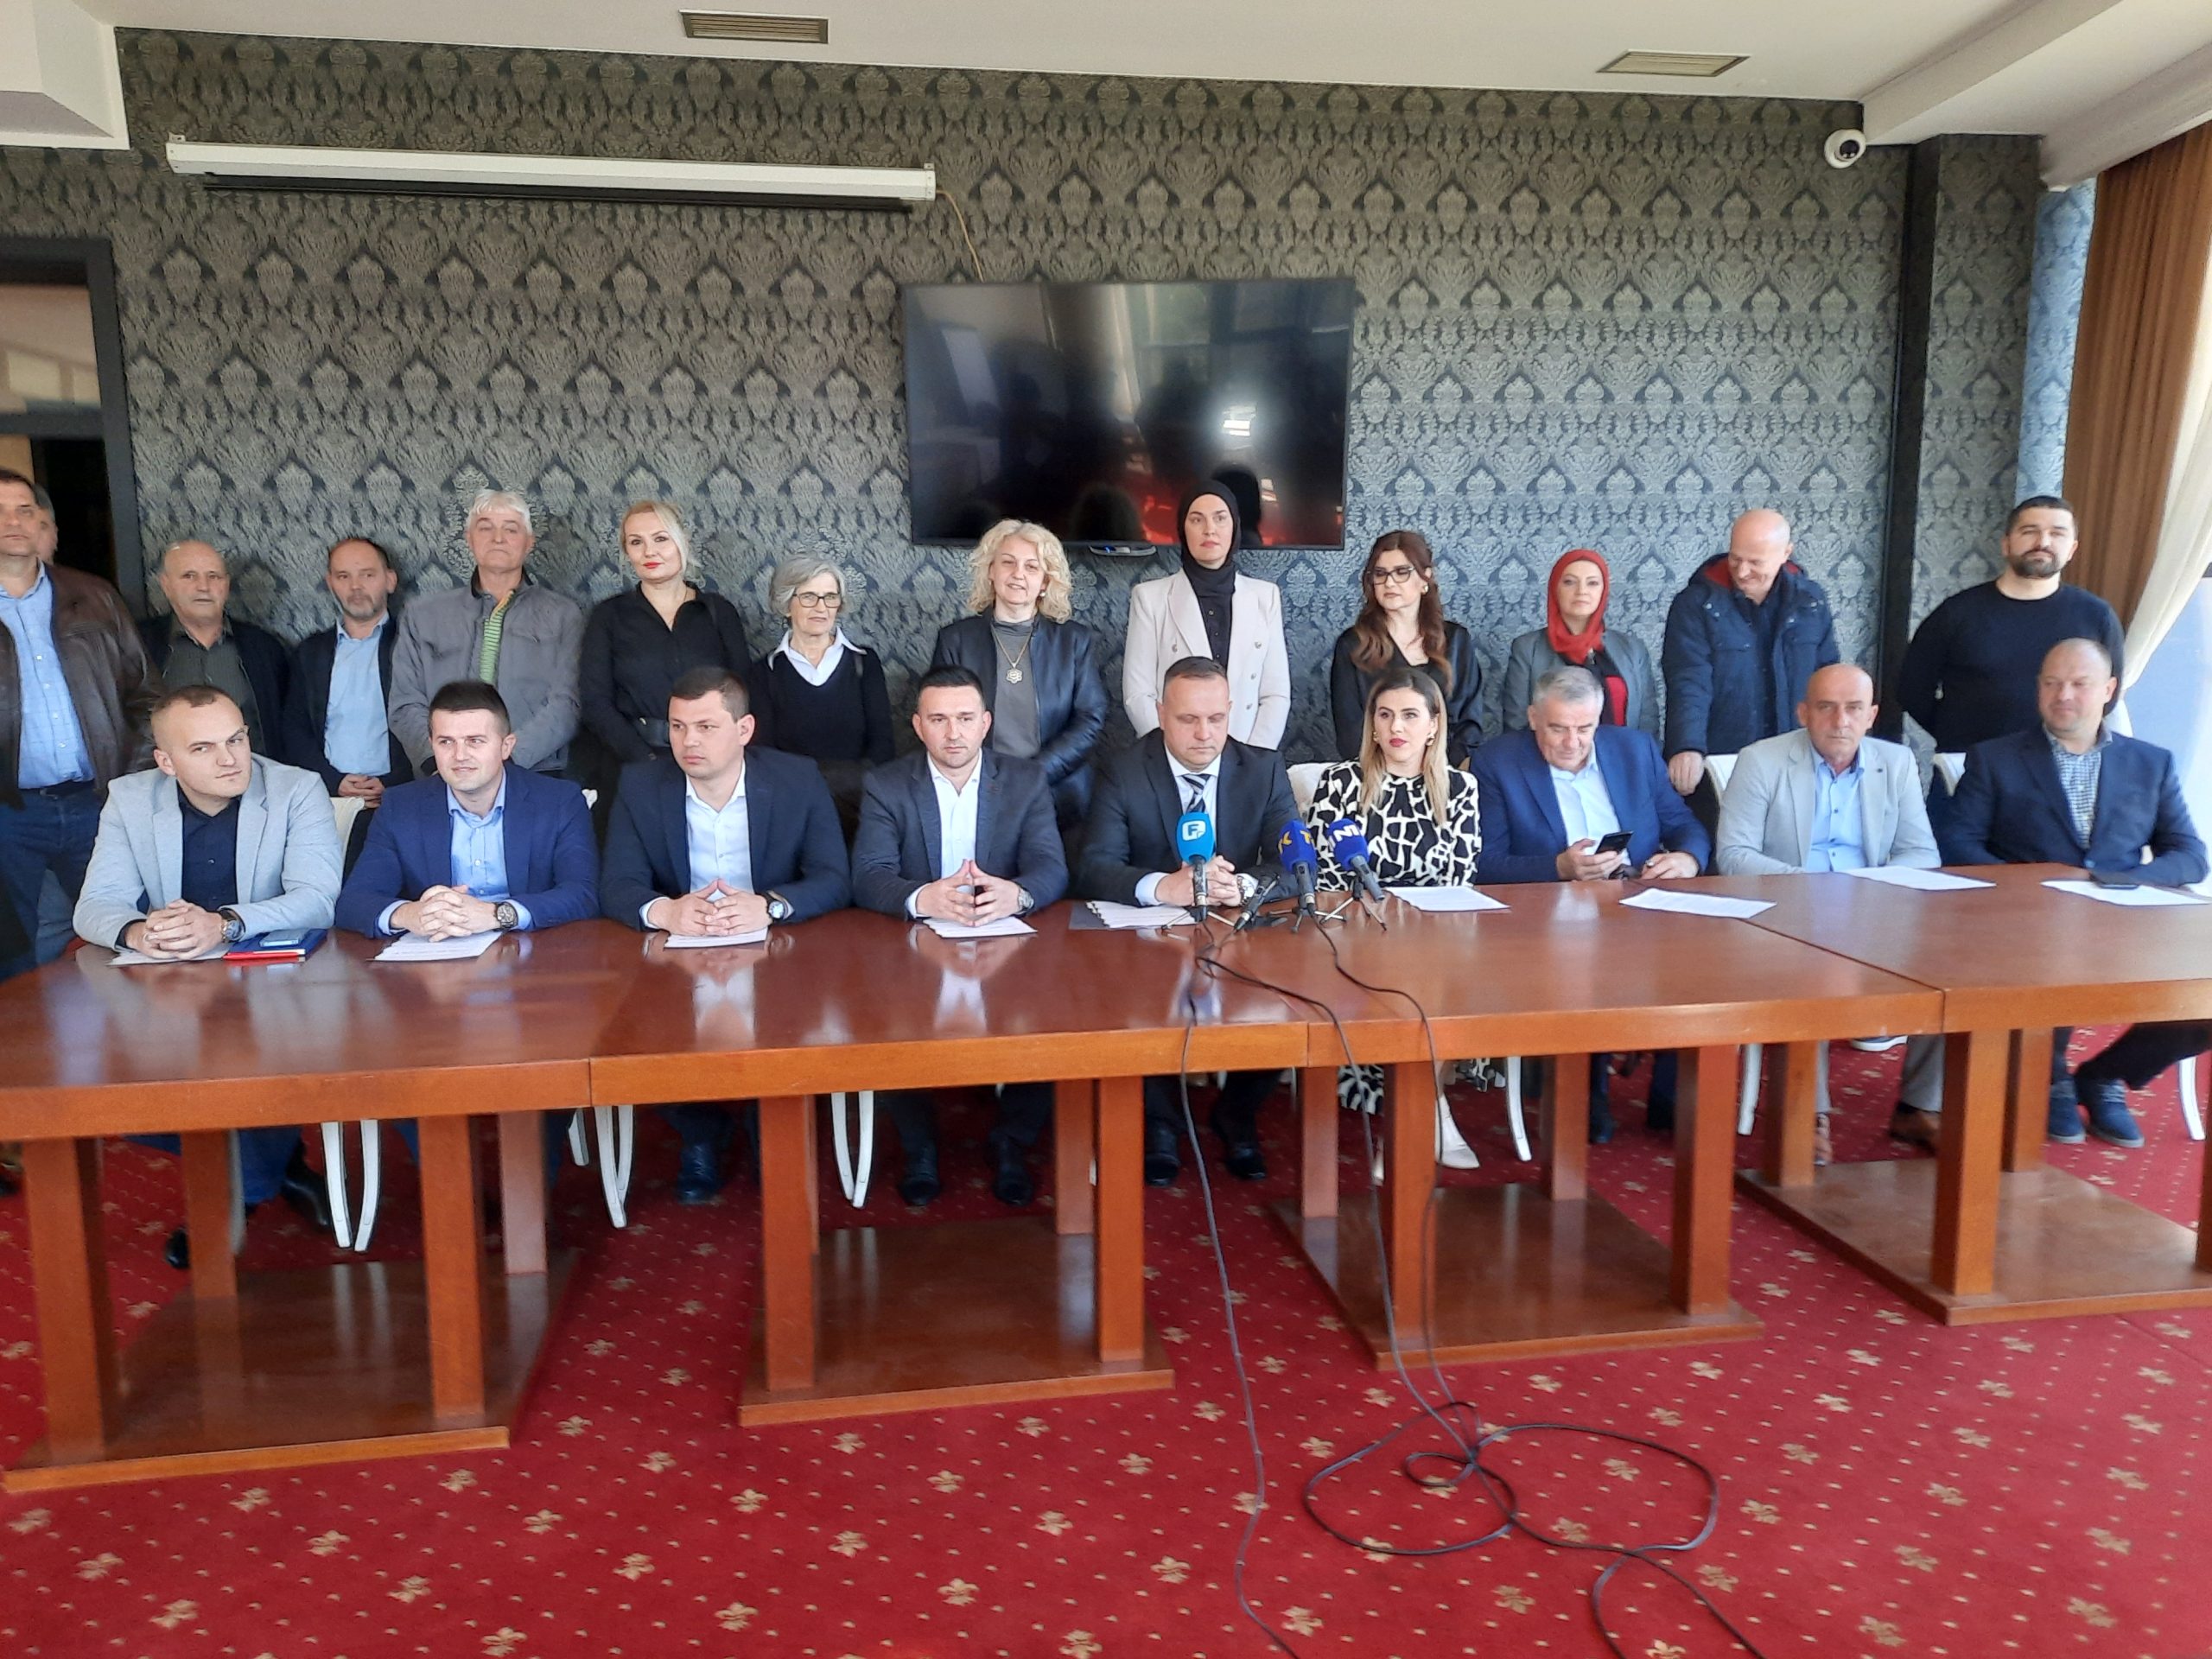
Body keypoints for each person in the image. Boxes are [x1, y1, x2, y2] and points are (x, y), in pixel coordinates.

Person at [74, 684, 342, 1266]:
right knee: (113, 1088)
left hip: (276, 984)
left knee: (260, 1062)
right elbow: (94, 905)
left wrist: (223, 924)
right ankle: (280, 1166)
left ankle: (234, 1197)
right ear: (166, 762)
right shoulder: (129, 798)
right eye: (204, 748)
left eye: (237, 739)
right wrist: (139, 931)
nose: (230, 759)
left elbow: (317, 899)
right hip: (173, 986)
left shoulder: (295, 788)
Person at [1942, 639, 2207, 1147]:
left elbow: (2190, 854)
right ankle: (2049, 1079)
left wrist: (2124, 883)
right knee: (2052, 954)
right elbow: (1959, 843)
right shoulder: (1995, 758)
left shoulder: (2151, 763)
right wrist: (2031, 889)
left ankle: (2105, 1074)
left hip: (2126, 920)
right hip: (2028, 919)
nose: (2063, 695)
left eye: (2079, 684)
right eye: (2052, 683)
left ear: (2108, 690)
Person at [601, 666, 849, 1202]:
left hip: (774, 949)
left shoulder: (796, 779)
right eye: (677, 727)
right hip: (678, 952)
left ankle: (771, 1136)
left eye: (706, 727)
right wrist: (665, 911)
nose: (688, 742)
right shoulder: (641, 785)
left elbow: (834, 876)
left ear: (744, 729)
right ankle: (701, 1134)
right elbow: (617, 884)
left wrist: (770, 906)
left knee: (794, 1020)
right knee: (637, 1028)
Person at [851, 665, 1068, 1205]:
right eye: (939, 720)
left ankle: (1011, 1142)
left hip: (1005, 943)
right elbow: (869, 874)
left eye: (966, 719)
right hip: (916, 948)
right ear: (918, 725)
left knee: (1052, 1020)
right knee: (887, 1020)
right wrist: (922, 897)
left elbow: (1052, 867)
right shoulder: (887, 785)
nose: (954, 733)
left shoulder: (1024, 781)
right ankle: (920, 1148)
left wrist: (1017, 894)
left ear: (986, 723)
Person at [1079, 656, 1299, 1185]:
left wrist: (1242, 886)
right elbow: (1094, 866)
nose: (1204, 734)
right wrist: (1164, 886)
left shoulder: (1263, 769)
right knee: (1133, 997)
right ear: (1160, 714)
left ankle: (1237, 1114)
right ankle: (1160, 1124)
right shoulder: (1123, 770)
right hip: (1148, 942)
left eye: (1216, 719)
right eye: (1187, 719)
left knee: (1291, 995)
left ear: (1231, 712)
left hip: (1237, 936)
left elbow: (1295, 865)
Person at [1715, 664, 1945, 1161]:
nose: (1841, 721)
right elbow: (1733, 855)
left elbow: (1922, 853)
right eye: (1826, 707)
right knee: (1809, 968)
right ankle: (1809, 1113)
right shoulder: (1762, 761)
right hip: (1788, 917)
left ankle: (1920, 1106)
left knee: (1954, 968)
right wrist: (1817, 889)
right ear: (1804, 712)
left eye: (1854, 709)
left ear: (1871, 716)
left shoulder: (1897, 763)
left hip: (1877, 914)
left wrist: (1868, 891)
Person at [1471, 665, 1709, 1139]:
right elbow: (1484, 863)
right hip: (1550, 914)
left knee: (1698, 960)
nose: (1572, 742)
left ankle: (1671, 1096)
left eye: (1584, 728)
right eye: (1558, 728)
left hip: (1639, 899)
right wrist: (1559, 867)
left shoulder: (1635, 749)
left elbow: (1684, 825)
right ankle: (1586, 1094)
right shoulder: (1498, 761)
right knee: (1585, 961)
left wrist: (1686, 858)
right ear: (1533, 718)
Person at [1307, 664, 1482, 1166]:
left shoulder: (1461, 789)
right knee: (1404, 989)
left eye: (1409, 715)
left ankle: (1412, 1120)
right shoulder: (1341, 782)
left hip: (1434, 942)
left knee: (1437, 985)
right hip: (1357, 939)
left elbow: (1459, 880)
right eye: (1384, 715)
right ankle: (1425, 1117)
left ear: (1434, 725)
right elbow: (1326, 879)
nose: (1396, 727)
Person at [0, 466, 160, 982]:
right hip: (9, 812)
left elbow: (146, 695)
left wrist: (128, 783)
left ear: (41, 521)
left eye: (24, 510)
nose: (13, 522)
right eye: (0, 512)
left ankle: (139, 1035)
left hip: (97, 801)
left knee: (131, 934)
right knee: (10, 950)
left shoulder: (93, 595)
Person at [1895, 495, 2124, 840]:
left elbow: (2107, 696)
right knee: (1956, 873)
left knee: (2051, 875)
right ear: (2006, 544)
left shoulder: (2096, 616)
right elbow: (1911, 689)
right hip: (1966, 777)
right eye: (2029, 531)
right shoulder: (1957, 613)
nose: (2043, 542)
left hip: (2061, 781)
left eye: (2057, 533)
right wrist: (1959, 732)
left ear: (2072, 549)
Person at [334, 679, 599, 940]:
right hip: (436, 955)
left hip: (534, 952)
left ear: (506, 746)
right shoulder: (400, 807)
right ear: (432, 744)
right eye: (446, 742)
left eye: (475, 741)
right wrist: (409, 914)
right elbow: (354, 901)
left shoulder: (559, 801)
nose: (460, 755)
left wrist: (497, 914)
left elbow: (583, 894)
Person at [387, 490, 584, 778]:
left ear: (529, 543)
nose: (498, 538)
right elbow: (405, 702)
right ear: (469, 539)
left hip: (532, 772)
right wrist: (439, 761)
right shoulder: (423, 615)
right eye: (485, 528)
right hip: (442, 775)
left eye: (511, 529)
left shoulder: (563, 615)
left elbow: (568, 704)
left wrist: (510, 760)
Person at [929, 519, 1109, 825]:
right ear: (991, 571)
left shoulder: (1074, 641)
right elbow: (941, 719)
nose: (1018, 574)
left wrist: (1035, 773)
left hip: (1059, 793)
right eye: (1008, 563)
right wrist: (991, 778)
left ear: (1045, 582)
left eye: (1032, 567)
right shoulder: (955, 640)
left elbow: (1090, 719)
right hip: (978, 790)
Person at [1661, 508, 1840, 798]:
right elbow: (1688, 680)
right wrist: (1687, 746)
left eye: (1756, 562)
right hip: (1722, 758)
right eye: (1735, 559)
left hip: (1798, 757)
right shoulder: (1696, 604)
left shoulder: (1810, 601)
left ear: (1785, 553)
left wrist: (1836, 743)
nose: (1742, 572)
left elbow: (1828, 677)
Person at [578, 500, 751, 779]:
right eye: (636, 542)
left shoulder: (719, 612)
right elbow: (595, 703)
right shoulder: (608, 616)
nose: (649, 551)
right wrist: (642, 759)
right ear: (627, 552)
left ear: (682, 542)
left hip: (714, 761)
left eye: (660, 538)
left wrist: (719, 752)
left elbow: (743, 693)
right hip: (634, 763)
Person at [1122, 480, 1290, 748]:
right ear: (1183, 529)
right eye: (1197, 519)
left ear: (1234, 526)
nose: (1209, 529)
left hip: (1248, 752)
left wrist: (1253, 757)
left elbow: (1276, 694)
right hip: (1174, 754)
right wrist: (1175, 754)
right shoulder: (1150, 598)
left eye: (1220, 518)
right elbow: (1138, 694)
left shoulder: (1265, 597)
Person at [747, 554, 894, 831]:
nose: (821, 607)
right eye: (809, 597)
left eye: (830, 597)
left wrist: (854, 789)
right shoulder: (763, 672)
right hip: (792, 811)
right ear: (786, 604)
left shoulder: (864, 663)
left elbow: (883, 744)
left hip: (859, 809)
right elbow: (763, 754)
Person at [1326, 530, 1482, 765]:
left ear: (1425, 578)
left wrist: (1439, 771)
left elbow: (1469, 725)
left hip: (1444, 771)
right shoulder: (1353, 644)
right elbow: (1350, 731)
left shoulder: (1456, 640)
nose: (1389, 583)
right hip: (1374, 773)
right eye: (1380, 573)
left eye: (1401, 572)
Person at [283, 536, 410, 802]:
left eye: (367, 575)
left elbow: (428, 720)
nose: (355, 586)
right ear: (330, 583)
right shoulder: (311, 652)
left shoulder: (414, 646)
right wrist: (333, 781)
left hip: (399, 794)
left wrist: (393, 782)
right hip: (327, 797)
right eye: (343, 576)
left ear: (390, 580)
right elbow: (294, 728)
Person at [138, 539, 289, 755]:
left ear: (226, 585)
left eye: (214, 576)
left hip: (253, 773)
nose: (203, 587)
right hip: (165, 775)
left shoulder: (264, 648)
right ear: (166, 584)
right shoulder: (138, 645)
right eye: (189, 576)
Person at [1500, 549, 1658, 738]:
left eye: (1592, 583)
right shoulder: (1528, 648)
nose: (1582, 591)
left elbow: (1647, 723)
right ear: (1555, 588)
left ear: (1604, 590)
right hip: (1548, 755)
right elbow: (1517, 725)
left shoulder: (1632, 649)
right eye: (1569, 582)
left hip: (1623, 755)